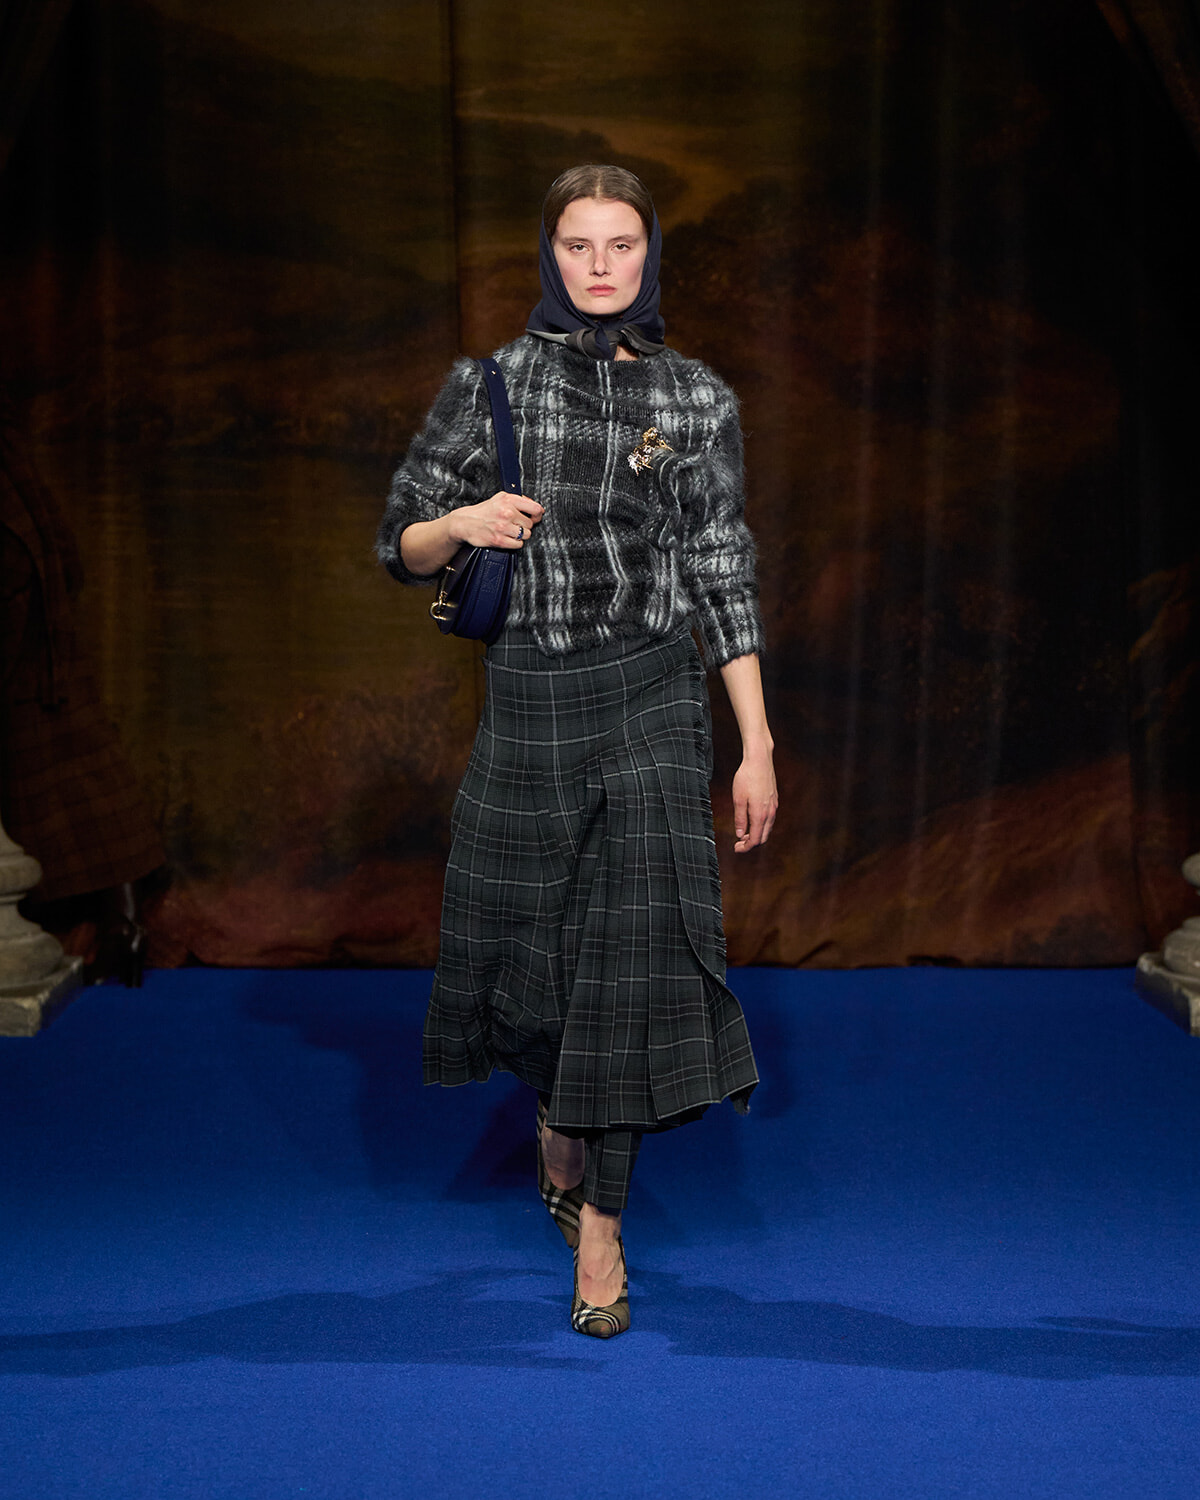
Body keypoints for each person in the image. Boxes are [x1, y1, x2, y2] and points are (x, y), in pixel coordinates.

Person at [377, 164, 777, 1338]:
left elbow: (721, 571)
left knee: (633, 961)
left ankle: (602, 1228)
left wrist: (756, 743)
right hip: (533, 702)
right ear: (548, 255)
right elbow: (399, 543)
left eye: (622, 245)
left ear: (650, 255)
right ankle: (558, 1113)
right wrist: (462, 521)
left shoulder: (694, 397)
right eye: (577, 245)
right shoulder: (491, 385)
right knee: (535, 963)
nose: (601, 267)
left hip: (653, 696)